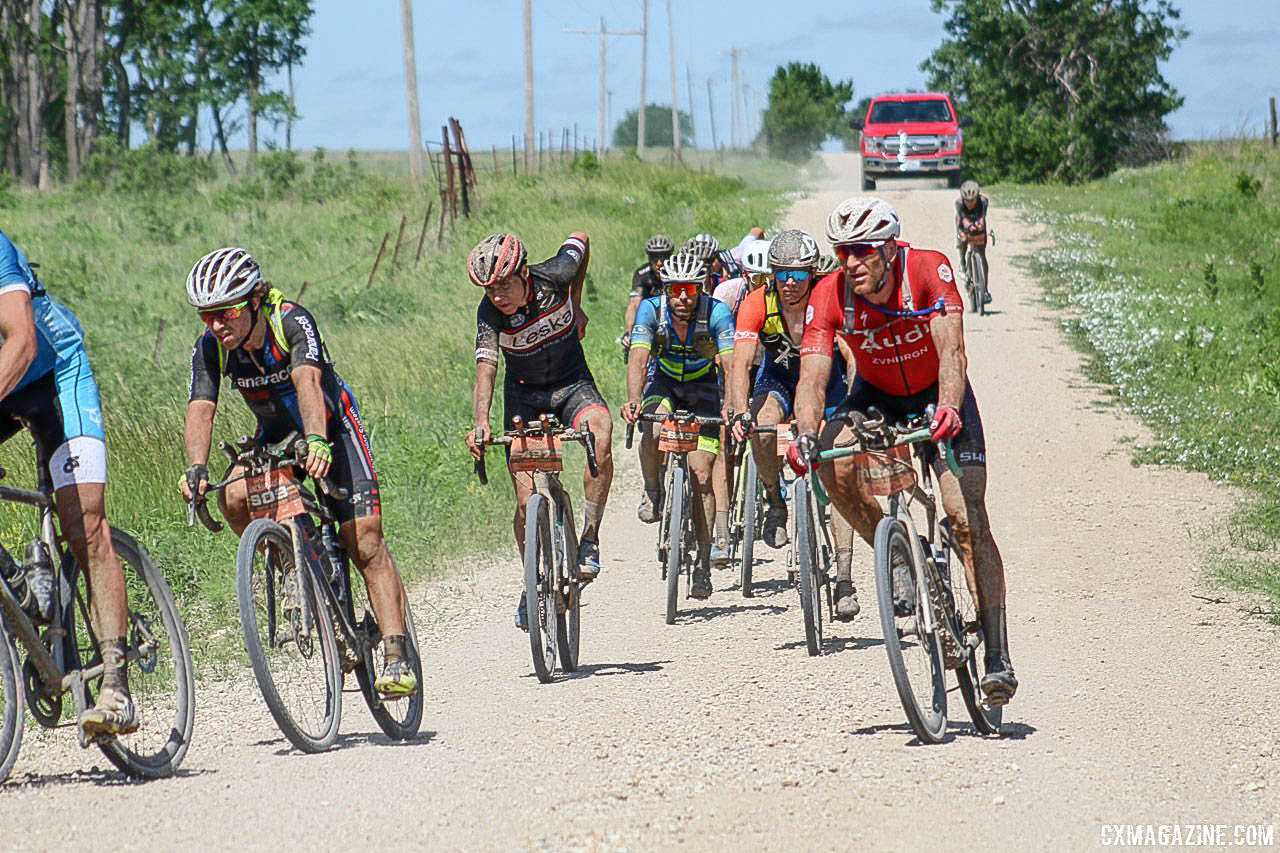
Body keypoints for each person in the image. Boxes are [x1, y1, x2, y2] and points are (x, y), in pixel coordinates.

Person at [792, 196, 1017, 703]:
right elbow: (812, 376)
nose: (851, 263)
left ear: (890, 248)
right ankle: (896, 553)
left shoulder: (928, 270)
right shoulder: (830, 294)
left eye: (863, 251)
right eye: (843, 252)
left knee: (965, 518)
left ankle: (997, 653)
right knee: (834, 464)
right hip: (876, 396)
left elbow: (952, 352)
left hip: (938, 393)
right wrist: (805, 434)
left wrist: (950, 406)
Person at [181, 247, 417, 697]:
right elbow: (201, 407)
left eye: (225, 312)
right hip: (275, 435)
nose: (216, 325)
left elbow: (308, 382)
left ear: (252, 300)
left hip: (331, 425)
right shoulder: (212, 347)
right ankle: (294, 565)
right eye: (205, 316)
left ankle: (395, 653)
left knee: (363, 538)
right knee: (231, 497)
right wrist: (195, 468)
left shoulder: (290, 320)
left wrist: (316, 441)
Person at [0, 231, 137, 737]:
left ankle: (116, 684)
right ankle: (20, 585)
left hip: (55, 373)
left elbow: (22, 340)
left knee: (83, 525)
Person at [463, 232, 614, 631]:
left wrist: (576, 305)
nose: (497, 296)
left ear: (524, 272)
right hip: (525, 396)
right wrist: (481, 420)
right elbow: (487, 367)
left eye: (504, 285)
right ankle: (532, 582)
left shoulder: (557, 275)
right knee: (526, 494)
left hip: (572, 385)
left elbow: (581, 239)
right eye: (488, 289)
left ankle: (590, 537)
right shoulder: (490, 314)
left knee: (600, 430)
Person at [727, 230, 860, 619]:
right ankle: (774, 500)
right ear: (771, 275)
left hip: (827, 382)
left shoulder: (829, 296)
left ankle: (846, 579)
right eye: (782, 274)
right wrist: (739, 412)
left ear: (812, 275)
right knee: (762, 426)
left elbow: (851, 357)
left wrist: (856, 401)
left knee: (838, 466)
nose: (789, 284)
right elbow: (740, 364)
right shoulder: (757, 303)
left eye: (799, 276)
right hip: (780, 381)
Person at [621, 250, 735, 598]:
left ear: (701, 287)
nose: (683, 297)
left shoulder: (717, 312)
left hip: (704, 389)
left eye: (689, 289)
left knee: (701, 473)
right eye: (675, 290)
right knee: (652, 429)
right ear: (665, 289)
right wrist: (634, 399)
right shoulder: (650, 310)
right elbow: (639, 357)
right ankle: (654, 490)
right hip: (666, 383)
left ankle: (702, 563)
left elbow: (730, 364)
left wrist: (732, 404)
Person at [621, 234, 674, 358]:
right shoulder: (642, 274)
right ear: (649, 258)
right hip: (651, 316)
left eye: (664, 258)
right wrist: (629, 332)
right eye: (655, 259)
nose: (659, 263)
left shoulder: (678, 272)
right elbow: (634, 304)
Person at [956, 180, 990, 303]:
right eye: (967, 200)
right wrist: (963, 233)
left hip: (977, 221)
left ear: (977, 197)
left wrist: (979, 227)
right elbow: (962, 220)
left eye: (972, 200)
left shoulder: (983, 202)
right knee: (963, 240)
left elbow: (982, 218)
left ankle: (985, 289)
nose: (969, 203)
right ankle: (963, 263)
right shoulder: (959, 203)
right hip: (964, 221)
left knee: (982, 252)